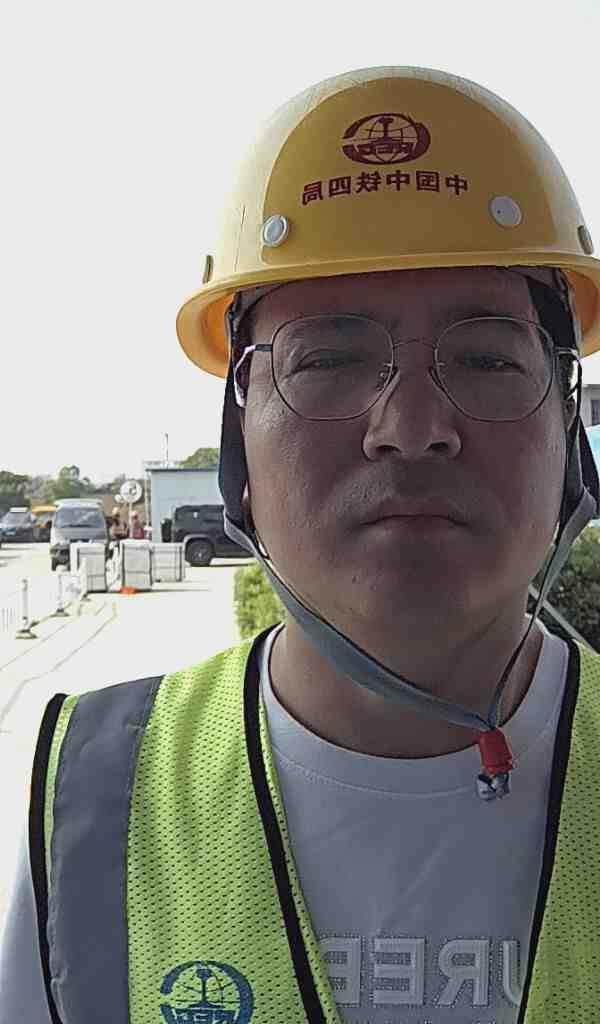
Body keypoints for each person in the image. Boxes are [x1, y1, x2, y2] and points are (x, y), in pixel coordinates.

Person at [1, 67, 600, 1024]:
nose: (411, 428)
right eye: (329, 358)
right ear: (239, 434)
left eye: (488, 356)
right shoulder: (93, 810)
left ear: (569, 422)